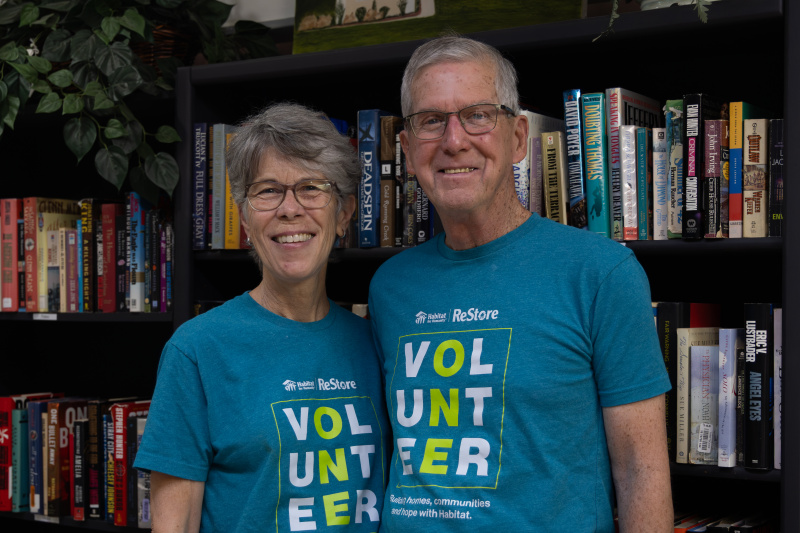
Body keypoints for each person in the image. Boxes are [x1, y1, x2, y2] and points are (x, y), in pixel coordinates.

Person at [367, 35, 673, 532]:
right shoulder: (389, 286)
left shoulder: (601, 274)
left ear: (517, 137)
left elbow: (641, 473)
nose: (453, 140)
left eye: (478, 115)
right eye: (431, 120)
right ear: (406, 147)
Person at [134, 103, 390, 533]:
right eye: (268, 191)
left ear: (344, 213)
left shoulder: (377, 343)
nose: (290, 209)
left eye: (311, 188)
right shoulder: (197, 349)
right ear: (246, 219)